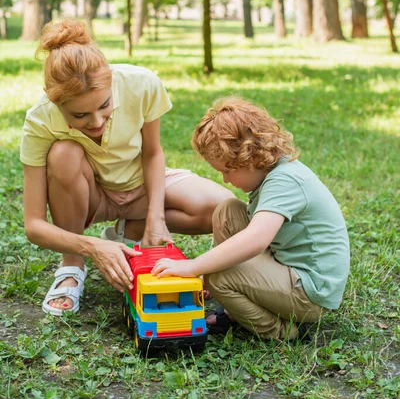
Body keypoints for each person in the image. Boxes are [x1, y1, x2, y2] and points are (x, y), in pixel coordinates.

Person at [21, 20, 232, 316]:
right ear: (52, 97)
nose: (95, 122)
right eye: (79, 114)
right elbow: (33, 225)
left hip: (141, 187)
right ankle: (71, 265)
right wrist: (91, 247)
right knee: (63, 153)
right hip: (92, 196)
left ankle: (131, 228)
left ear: (110, 81)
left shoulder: (141, 83)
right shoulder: (39, 121)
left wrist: (155, 218)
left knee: (223, 208)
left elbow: (152, 152)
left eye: (104, 106)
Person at [152, 97, 350, 341]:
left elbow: (256, 239)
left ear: (250, 159)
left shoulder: (285, 181)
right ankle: (235, 310)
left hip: (310, 292)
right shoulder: (273, 172)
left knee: (219, 276)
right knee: (228, 210)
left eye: (227, 170)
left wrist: (195, 267)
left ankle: (282, 331)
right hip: (289, 270)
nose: (225, 179)